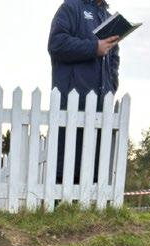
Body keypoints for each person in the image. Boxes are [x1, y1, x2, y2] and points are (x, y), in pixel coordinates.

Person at [48, 0, 120, 183]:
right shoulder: (71, 8)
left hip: (100, 108)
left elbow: (114, 57)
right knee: (66, 172)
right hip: (72, 105)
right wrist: (94, 48)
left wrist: (112, 84)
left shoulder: (107, 17)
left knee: (95, 174)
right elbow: (56, 44)